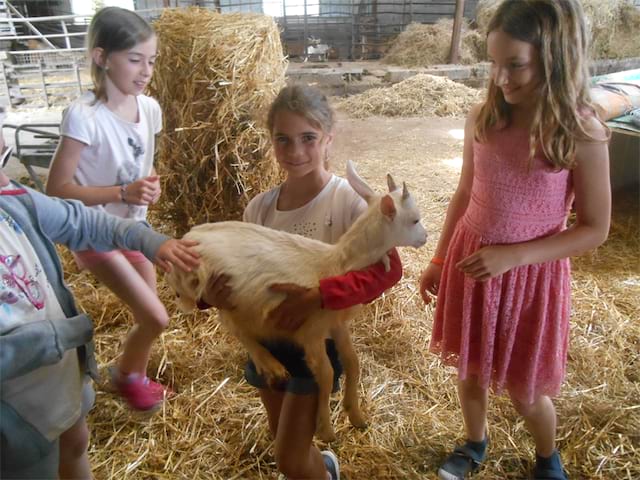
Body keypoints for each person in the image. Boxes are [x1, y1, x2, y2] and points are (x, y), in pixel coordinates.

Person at [419, 1, 611, 479]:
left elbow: (595, 228)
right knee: (469, 371)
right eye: (494, 63)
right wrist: (440, 258)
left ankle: (547, 457)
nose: (501, 78)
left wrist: (516, 255)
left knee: (527, 391)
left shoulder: (580, 131)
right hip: (473, 262)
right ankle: (474, 442)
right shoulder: (484, 116)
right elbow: (465, 191)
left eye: (516, 64)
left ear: (555, 57)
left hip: (530, 276)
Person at [200, 85, 403, 480]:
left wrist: (321, 295)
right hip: (268, 341)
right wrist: (211, 296)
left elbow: (389, 271)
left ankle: (322, 474)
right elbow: (237, 273)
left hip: (317, 346)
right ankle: (322, 467)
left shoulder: (349, 203)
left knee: (290, 461)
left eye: (308, 139)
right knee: (283, 438)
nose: (295, 152)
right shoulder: (259, 209)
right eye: (283, 140)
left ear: (328, 138)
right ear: (271, 142)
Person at [0, 116, 199, 479]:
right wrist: (61, 336)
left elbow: (85, 222)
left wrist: (151, 241)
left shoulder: (13, 202)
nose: (5, 176)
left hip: (57, 380)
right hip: (14, 417)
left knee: (76, 443)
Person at [46, 7, 169, 412]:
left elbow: (143, 161)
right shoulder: (84, 117)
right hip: (93, 232)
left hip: (133, 226)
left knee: (151, 315)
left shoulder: (148, 108)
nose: (145, 70)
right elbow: (56, 188)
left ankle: (131, 373)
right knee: (156, 318)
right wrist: (122, 191)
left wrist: (148, 183)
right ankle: (126, 377)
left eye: (151, 61)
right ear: (101, 57)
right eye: (134, 60)